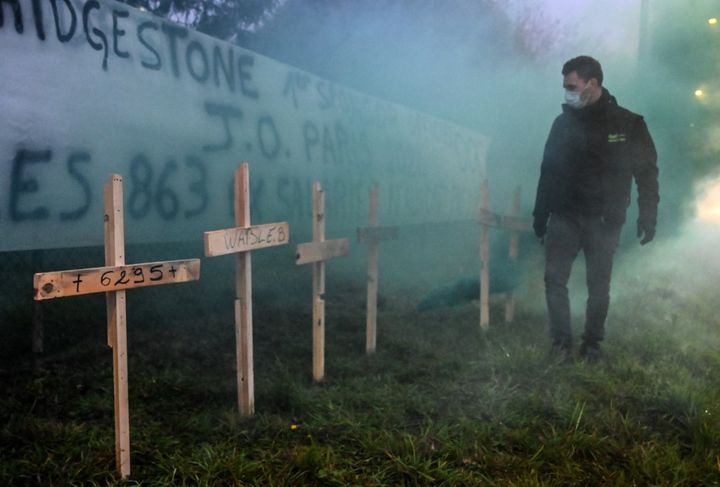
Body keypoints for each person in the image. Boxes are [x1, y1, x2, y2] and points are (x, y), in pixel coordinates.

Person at [532, 55, 659, 362]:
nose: (567, 92)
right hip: (564, 216)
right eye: (565, 86)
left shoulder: (628, 123)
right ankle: (561, 343)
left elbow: (647, 172)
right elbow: (547, 170)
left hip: (605, 220)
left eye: (572, 86)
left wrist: (648, 214)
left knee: (598, 285)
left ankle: (592, 344)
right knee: (554, 279)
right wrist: (540, 214)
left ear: (592, 84)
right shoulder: (562, 124)